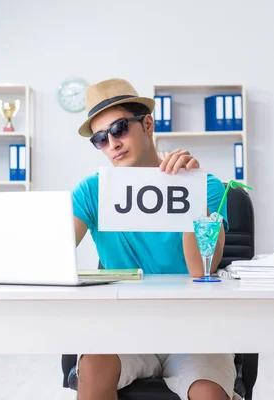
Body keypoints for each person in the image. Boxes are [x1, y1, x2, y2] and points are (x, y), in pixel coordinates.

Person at [71, 78, 239, 400]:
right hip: (125, 326)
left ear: (147, 124)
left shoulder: (208, 186)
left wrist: (190, 190)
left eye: (119, 129)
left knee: (208, 392)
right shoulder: (92, 191)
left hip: (196, 331)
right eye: (100, 139)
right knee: (93, 367)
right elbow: (52, 254)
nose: (112, 145)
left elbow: (199, 268)